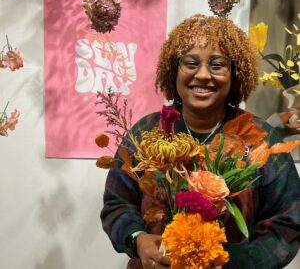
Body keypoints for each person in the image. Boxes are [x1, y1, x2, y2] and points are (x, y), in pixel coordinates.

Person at [100, 14, 300, 269]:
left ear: (235, 74)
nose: (203, 75)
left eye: (217, 65)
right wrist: (137, 239)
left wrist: (227, 262)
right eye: (191, 63)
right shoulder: (147, 133)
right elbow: (117, 203)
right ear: (174, 71)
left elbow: (288, 223)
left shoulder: (258, 138)